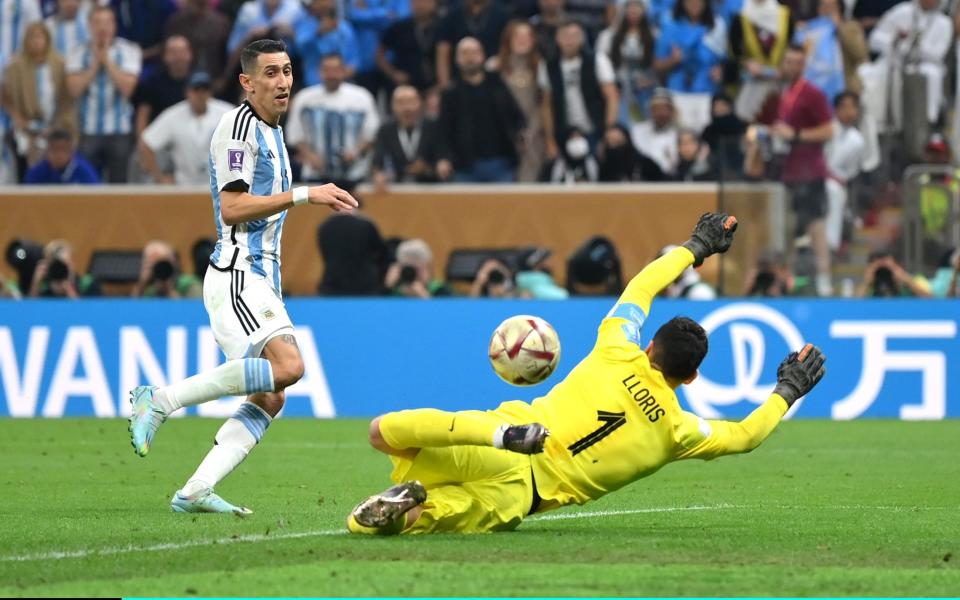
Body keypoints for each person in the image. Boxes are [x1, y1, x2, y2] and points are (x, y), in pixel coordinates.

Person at [345, 213, 827, 535]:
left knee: (384, 433)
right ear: (692, 378)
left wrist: (695, 248)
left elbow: (642, 286)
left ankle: (490, 434)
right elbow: (744, 435)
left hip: (503, 435)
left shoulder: (616, 346)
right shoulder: (680, 431)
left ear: (651, 344)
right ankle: (408, 510)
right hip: (523, 493)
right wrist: (787, 391)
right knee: (431, 517)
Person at [126, 39, 360, 515]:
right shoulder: (238, 130)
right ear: (246, 83)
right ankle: (160, 399)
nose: (283, 82)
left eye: (288, 71)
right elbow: (231, 209)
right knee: (290, 368)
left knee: (270, 395)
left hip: (262, 276)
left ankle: (194, 490)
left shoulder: (273, 129)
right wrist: (305, 194)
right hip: (238, 272)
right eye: (270, 73)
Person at [744, 45, 834, 297]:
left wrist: (795, 134)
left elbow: (828, 130)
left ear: (803, 65)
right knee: (789, 228)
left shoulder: (812, 94)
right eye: (788, 62)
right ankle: (788, 280)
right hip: (784, 172)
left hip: (810, 170)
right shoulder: (779, 92)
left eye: (797, 62)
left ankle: (825, 280)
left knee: (815, 225)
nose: (791, 67)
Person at [65, 6, 142, 183]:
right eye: (97, 22)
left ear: (115, 25)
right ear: (89, 25)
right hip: (88, 131)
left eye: (107, 22)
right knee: (87, 187)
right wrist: (94, 65)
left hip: (120, 131)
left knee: (119, 186)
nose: (102, 27)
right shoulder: (77, 52)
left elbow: (127, 88)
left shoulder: (129, 50)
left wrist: (106, 59)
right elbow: (74, 90)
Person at [436, 37, 525, 183]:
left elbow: (516, 116)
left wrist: (520, 135)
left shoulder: (497, 85)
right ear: (457, 59)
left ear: (482, 56)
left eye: (474, 52)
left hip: (500, 163)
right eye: (464, 53)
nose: (470, 57)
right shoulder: (450, 93)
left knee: (505, 206)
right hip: (464, 166)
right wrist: (443, 158)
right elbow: (443, 130)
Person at [287, 52, 380, 187]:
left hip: (354, 175)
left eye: (336, 70)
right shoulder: (304, 99)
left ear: (344, 71)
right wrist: (310, 156)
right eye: (327, 70)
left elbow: (372, 135)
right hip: (315, 175)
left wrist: (355, 152)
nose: (331, 75)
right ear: (319, 72)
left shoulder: (362, 97)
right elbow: (294, 135)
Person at [539, 20, 619, 159]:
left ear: (582, 38)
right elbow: (547, 105)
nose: (570, 40)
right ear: (557, 38)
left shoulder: (598, 60)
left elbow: (612, 97)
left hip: (595, 129)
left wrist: (608, 130)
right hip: (564, 131)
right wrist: (550, 139)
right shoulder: (547, 65)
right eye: (565, 35)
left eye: (575, 35)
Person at [139, 71, 234, 185]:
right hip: (184, 185)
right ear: (187, 92)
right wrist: (160, 178)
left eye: (205, 90)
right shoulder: (173, 115)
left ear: (210, 92)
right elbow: (146, 144)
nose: (200, 94)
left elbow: (248, 140)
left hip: (221, 186)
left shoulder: (228, 112)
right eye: (196, 90)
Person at [3, 21, 76, 167]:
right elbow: (5, 94)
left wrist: (55, 124)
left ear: (47, 39)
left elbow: (66, 99)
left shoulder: (59, 64)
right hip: (25, 125)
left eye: (40, 37)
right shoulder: (15, 66)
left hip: (56, 124)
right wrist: (18, 117)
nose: (36, 42)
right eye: (32, 37)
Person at [488, 20, 546, 182]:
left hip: (533, 135)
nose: (522, 40)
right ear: (508, 39)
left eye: (527, 36)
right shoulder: (494, 67)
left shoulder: (540, 67)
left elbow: (543, 104)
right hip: (501, 134)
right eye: (517, 36)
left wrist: (531, 130)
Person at [792, 0, 867, 103]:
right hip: (816, 88)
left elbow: (860, 55)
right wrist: (804, 32)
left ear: (839, 8)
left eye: (830, 6)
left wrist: (839, 27)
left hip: (846, 89)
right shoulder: (810, 31)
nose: (826, 9)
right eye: (823, 5)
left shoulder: (850, 27)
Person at [596, 0, 656, 122]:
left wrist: (651, 79)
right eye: (630, 6)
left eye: (638, 6)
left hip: (645, 89)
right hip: (619, 87)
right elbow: (601, 62)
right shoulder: (608, 35)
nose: (633, 10)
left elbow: (657, 63)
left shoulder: (654, 35)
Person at [371, 84, 441, 189]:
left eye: (411, 102)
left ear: (421, 103)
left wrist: (427, 168)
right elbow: (377, 161)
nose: (407, 108)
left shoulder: (433, 127)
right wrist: (378, 175)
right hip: (396, 188)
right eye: (400, 103)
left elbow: (443, 157)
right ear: (392, 106)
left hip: (430, 188)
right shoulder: (385, 130)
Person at [654, 0, 727, 95]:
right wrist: (672, 61)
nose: (694, 4)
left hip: (708, 92)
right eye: (689, 1)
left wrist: (721, 70)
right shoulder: (670, 26)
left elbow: (724, 62)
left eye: (698, 1)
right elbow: (657, 65)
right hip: (677, 91)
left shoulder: (717, 25)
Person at [823, 90, 865, 252]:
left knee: (834, 193)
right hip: (815, 179)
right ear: (835, 109)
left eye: (852, 107)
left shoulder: (857, 140)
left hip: (837, 183)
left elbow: (852, 172)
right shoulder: (826, 128)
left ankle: (831, 246)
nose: (848, 112)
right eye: (843, 107)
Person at [434, 0, 509, 87]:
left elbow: (508, 47)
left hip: (494, 79)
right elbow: (442, 51)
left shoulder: (502, 14)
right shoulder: (451, 15)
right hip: (458, 80)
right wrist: (444, 86)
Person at [132, 35, 193, 138]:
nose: (179, 57)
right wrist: (142, 143)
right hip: (159, 140)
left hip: (191, 139)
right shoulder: (151, 83)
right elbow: (142, 115)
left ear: (190, 54)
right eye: (173, 52)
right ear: (165, 56)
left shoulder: (200, 82)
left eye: (182, 52)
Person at [164, 0, 231, 89]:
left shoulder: (222, 22)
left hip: (215, 79)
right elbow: (167, 51)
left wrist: (223, 78)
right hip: (182, 82)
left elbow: (228, 55)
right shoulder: (176, 22)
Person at [376, 0, 439, 93]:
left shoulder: (443, 26)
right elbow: (379, 55)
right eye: (416, 2)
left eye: (425, 1)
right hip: (404, 85)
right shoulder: (399, 27)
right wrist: (393, 74)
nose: (420, 5)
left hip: (433, 85)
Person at [295, 0, 361, 88]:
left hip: (340, 85)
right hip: (313, 84)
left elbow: (353, 59)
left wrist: (341, 74)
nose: (325, 3)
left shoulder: (343, 27)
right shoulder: (305, 23)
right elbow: (300, 50)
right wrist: (318, 33)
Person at [630, 88, 679, 175]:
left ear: (671, 111)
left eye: (664, 109)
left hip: (671, 181)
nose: (660, 113)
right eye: (656, 109)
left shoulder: (679, 133)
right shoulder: (637, 131)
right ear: (650, 111)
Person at [23, 128, 99, 183]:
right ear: (47, 151)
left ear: (71, 151)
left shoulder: (85, 172)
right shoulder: (37, 172)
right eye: (54, 150)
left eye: (63, 149)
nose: (58, 155)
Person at [131, 240, 202, 298]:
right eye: (151, 263)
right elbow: (132, 310)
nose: (159, 268)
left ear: (173, 263)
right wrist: (142, 283)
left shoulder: (191, 284)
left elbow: (192, 311)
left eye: (162, 263)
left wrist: (168, 289)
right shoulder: (150, 291)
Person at [385, 238, 453, 297]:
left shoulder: (440, 290)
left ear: (427, 267)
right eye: (408, 268)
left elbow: (449, 311)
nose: (412, 273)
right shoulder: (394, 292)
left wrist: (424, 296)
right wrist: (387, 286)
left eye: (417, 269)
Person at [856, 250, 932, 298]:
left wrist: (907, 281)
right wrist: (866, 283)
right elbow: (856, 307)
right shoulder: (870, 284)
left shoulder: (916, 279)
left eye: (888, 268)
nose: (884, 272)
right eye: (880, 269)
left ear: (899, 266)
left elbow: (930, 300)